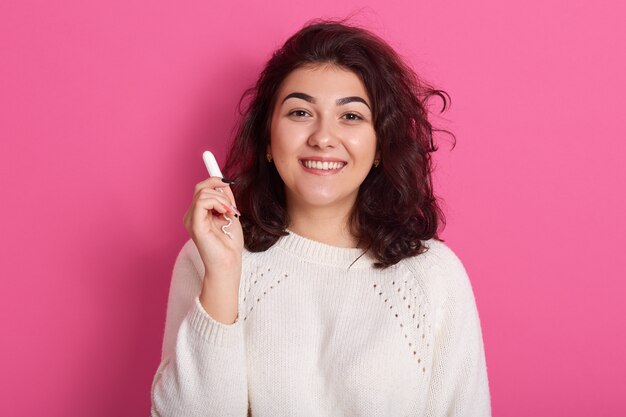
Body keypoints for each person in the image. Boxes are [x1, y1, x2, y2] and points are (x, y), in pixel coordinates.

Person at [150, 20, 491, 417]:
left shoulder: (433, 276)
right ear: (267, 141)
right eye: (300, 112)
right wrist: (223, 274)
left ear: (380, 144)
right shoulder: (207, 257)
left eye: (350, 117)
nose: (323, 137)